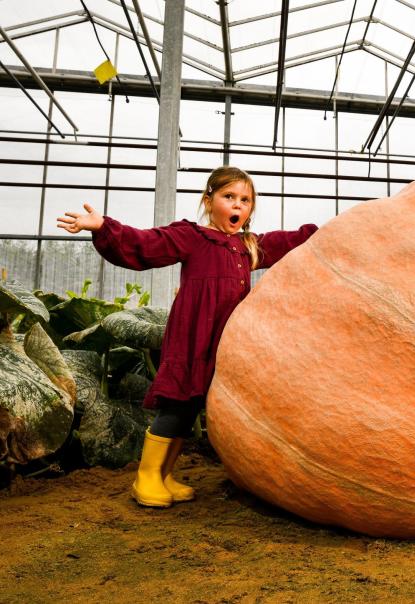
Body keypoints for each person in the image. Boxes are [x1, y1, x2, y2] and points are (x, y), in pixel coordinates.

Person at [56, 166, 319, 508]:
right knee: (178, 404)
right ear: (208, 200)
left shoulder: (248, 246)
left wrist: (324, 233)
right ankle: (146, 477)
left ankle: (165, 474)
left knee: (193, 406)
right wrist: (104, 227)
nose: (238, 205)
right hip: (192, 338)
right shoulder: (193, 236)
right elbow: (147, 244)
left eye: (246, 199)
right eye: (229, 197)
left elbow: (287, 242)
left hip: (223, 343)